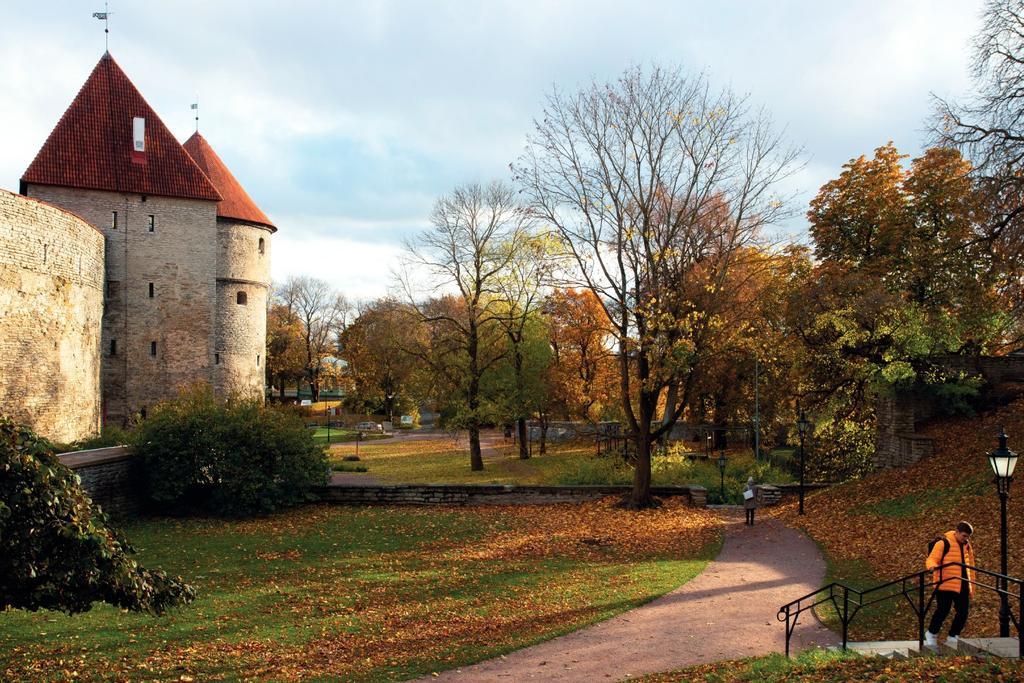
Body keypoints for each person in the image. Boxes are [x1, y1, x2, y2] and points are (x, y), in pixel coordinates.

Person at [925, 521, 976, 649]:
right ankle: (931, 634)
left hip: (962, 583)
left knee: (963, 612)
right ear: (957, 532)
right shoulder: (943, 543)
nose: (966, 539)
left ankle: (953, 636)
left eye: (968, 536)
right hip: (945, 583)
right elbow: (932, 558)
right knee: (943, 610)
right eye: (964, 535)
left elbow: (971, 566)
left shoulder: (967, 546)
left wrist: (971, 586)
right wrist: (932, 567)